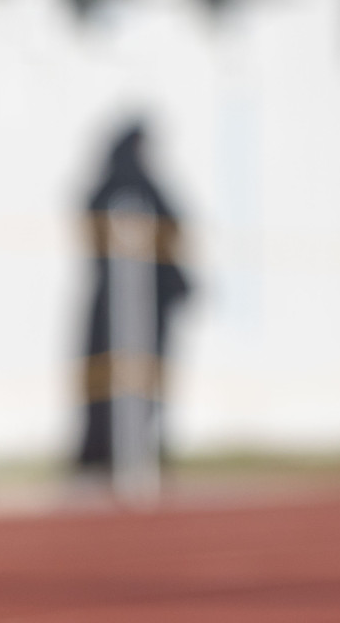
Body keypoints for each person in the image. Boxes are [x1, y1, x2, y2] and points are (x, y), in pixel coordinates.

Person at [76, 122, 192, 481]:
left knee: (147, 383)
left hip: (151, 307)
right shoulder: (115, 192)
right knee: (108, 383)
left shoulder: (147, 192)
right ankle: (104, 455)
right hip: (113, 311)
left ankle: (142, 452)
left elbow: (175, 232)